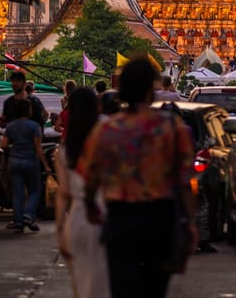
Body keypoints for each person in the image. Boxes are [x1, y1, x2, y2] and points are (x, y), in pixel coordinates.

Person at [82, 60, 197, 298]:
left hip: (121, 221)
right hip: (159, 221)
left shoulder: (108, 129)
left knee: (123, 290)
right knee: (155, 290)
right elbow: (184, 181)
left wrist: (91, 205)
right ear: (150, 89)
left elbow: (90, 174)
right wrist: (189, 222)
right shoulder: (170, 127)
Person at [55, 87, 108, 298]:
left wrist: (60, 231)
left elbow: (63, 193)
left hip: (77, 220)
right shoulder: (107, 137)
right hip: (104, 214)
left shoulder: (64, 151)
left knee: (80, 286)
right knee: (104, 284)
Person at [0, 97, 50, 233]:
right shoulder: (34, 126)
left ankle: (18, 221)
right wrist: (45, 165)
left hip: (14, 161)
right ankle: (28, 214)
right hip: (30, 161)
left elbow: (3, 144)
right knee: (34, 190)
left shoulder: (10, 126)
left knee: (18, 192)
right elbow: (38, 148)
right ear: (28, 110)